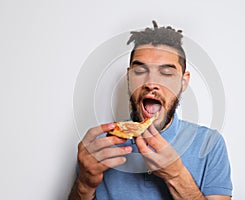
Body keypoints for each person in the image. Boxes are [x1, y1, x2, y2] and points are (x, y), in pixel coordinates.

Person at [69, 21, 232, 200]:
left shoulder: (209, 144)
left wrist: (176, 175)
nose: (151, 83)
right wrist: (84, 185)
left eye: (166, 73)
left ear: (183, 82)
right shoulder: (99, 146)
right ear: (129, 77)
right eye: (140, 71)